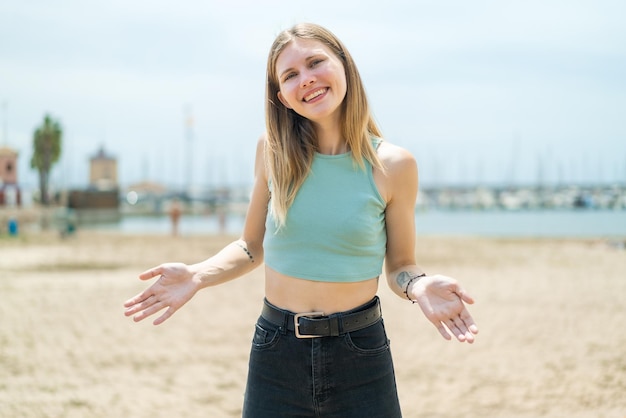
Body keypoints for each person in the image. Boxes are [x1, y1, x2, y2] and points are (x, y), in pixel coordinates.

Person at [124, 22, 478, 417]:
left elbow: (400, 266)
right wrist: (197, 274)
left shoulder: (394, 165)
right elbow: (250, 247)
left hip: (360, 352)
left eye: (315, 63)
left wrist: (420, 284)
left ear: (344, 65)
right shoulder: (271, 151)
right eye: (291, 75)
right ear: (283, 97)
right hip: (276, 352)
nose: (306, 79)